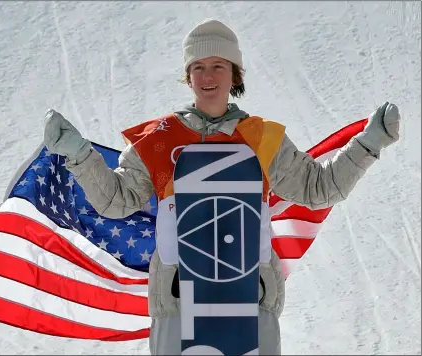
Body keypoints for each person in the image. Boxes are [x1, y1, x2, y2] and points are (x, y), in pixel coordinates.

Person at [43, 18, 401, 355]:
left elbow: (320, 188)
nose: (208, 76)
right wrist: (81, 156)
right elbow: (116, 200)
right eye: (198, 67)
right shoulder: (159, 140)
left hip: (249, 298)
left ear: (235, 75)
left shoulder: (260, 138)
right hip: (179, 302)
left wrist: (369, 143)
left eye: (219, 66)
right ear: (188, 76)